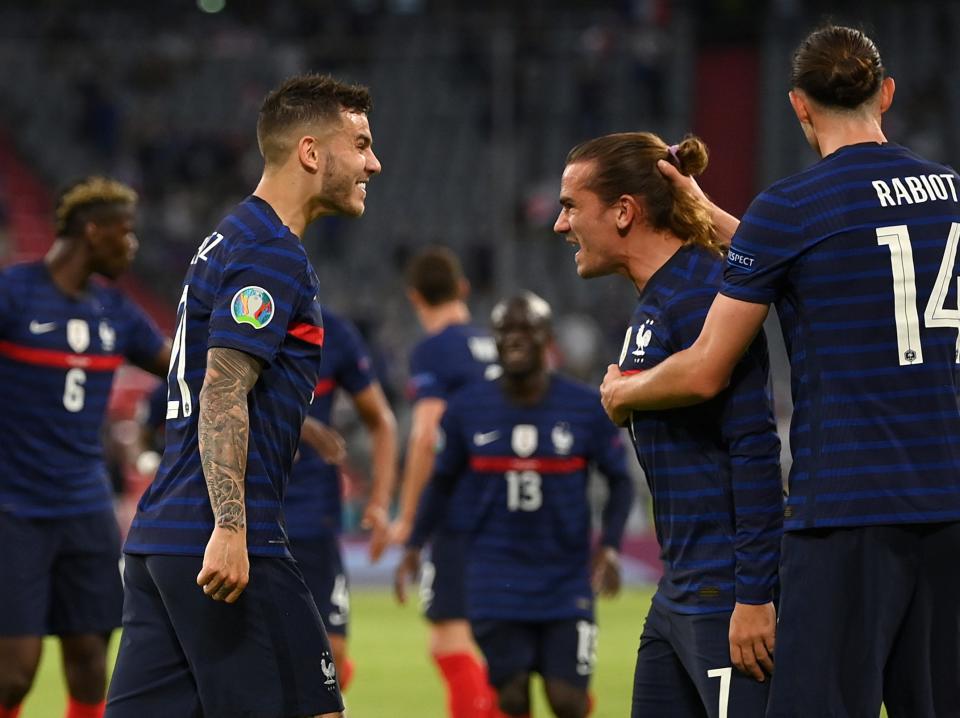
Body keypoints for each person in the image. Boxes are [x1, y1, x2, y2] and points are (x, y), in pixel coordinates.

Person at [598, 25, 960, 717]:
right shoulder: (951, 196)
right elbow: (837, 248)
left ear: (798, 106)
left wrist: (625, 390)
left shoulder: (794, 207)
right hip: (949, 506)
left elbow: (706, 370)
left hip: (846, 512)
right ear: (886, 93)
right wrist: (718, 218)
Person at [106, 72, 381, 718]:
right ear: (312, 153)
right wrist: (231, 526)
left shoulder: (227, 240)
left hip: (160, 544)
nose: (374, 161)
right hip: (226, 544)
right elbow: (223, 389)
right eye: (361, 143)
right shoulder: (268, 254)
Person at [553, 132, 783, 717]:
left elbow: (754, 447)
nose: (561, 225)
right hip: (681, 585)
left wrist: (754, 595)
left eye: (571, 206)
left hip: (726, 592)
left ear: (624, 211)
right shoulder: (662, 296)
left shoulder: (704, 290)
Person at [395, 292, 634, 718]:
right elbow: (442, 482)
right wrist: (414, 544)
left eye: (527, 330)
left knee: (568, 700)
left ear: (548, 339)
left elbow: (619, 479)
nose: (516, 340)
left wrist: (611, 545)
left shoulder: (583, 407)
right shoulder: (468, 408)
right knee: (511, 699)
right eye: (506, 331)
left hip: (565, 577)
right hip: (494, 577)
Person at [0, 176, 170, 718]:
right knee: (14, 672)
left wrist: (252, 376)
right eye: (126, 233)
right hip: (13, 508)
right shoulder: (13, 294)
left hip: (86, 507)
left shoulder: (116, 312)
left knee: (93, 661)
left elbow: (182, 368)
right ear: (93, 232)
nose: (133, 246)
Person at [389, 246, 502, 718]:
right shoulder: (492, 344)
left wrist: (409, 518)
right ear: (463, 289)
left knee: (448, 641)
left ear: (415, 298)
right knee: (493, 649)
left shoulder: (433, 350)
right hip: (502, 506)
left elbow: (423, 436)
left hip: (459, 510)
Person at [285, 307, 398, 693]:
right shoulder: (238, 318)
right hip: (245, 514)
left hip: (314, 515)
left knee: (328, 661)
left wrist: (380, 502)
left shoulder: (332, 331)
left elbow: (380, 419)